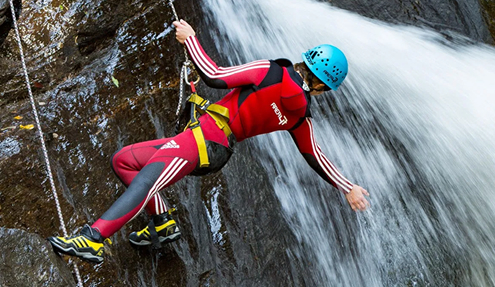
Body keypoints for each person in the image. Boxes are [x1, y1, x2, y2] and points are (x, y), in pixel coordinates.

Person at [47, 20, 370, 263]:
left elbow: (215, 75)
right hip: (213, 147)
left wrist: (191, 41)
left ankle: (93, 238)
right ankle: (162, 223)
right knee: (125, 160)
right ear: (324, 88)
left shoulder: (273, 71)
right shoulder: (301, 118)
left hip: (204, 139)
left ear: (307, 61)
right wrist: (348, 187)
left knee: (146, 179)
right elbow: (315, 156)